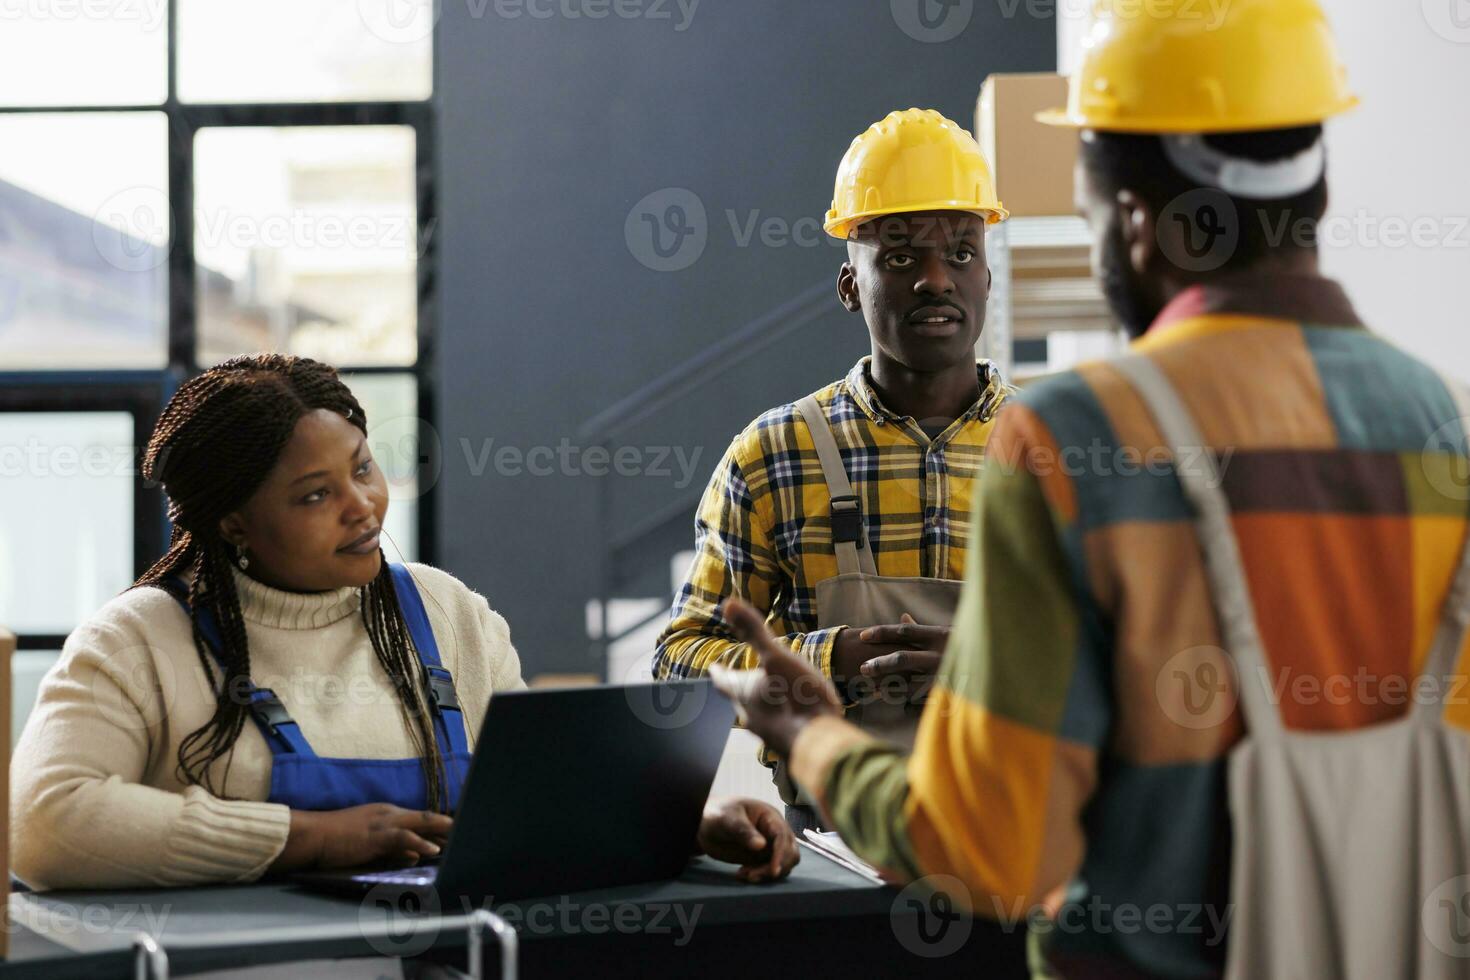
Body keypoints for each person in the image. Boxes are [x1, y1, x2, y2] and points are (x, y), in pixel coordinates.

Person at [711, 1, 1470, 977]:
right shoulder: (1447, 427)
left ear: (1133, 217)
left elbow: (984, 850)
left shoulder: (1077, 438)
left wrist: (808, 733)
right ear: (1315, 189)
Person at [11, 354, 797, 890]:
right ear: (233, 523)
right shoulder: (140, 639)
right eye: (314, 494)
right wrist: (307, 840)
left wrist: (687, 823)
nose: (363, 506)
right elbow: (43, 822)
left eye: (362, 467)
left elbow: (535, 803)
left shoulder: (446, 614)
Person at [654, 108, 1011, 830]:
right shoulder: (775, 456)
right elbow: (678, 664)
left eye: (962, 253)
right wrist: (829, 657)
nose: (934, 281)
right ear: (851, 286)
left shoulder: (1056, 454)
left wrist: (990, 666)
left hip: (1016, 836)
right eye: (901, 257)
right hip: (830, 845)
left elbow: (1122, 663)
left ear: (987, 277)